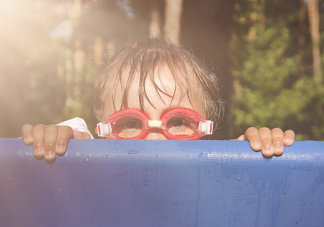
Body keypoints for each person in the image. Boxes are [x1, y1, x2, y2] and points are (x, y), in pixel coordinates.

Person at [21, 38, 295, 162]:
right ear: (103, 132)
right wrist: (60, 146)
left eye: (177, 121)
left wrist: (255, 159)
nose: (155, 141)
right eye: (130, 122)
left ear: (205, 131)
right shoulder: (87, 177)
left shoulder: (221, 179)